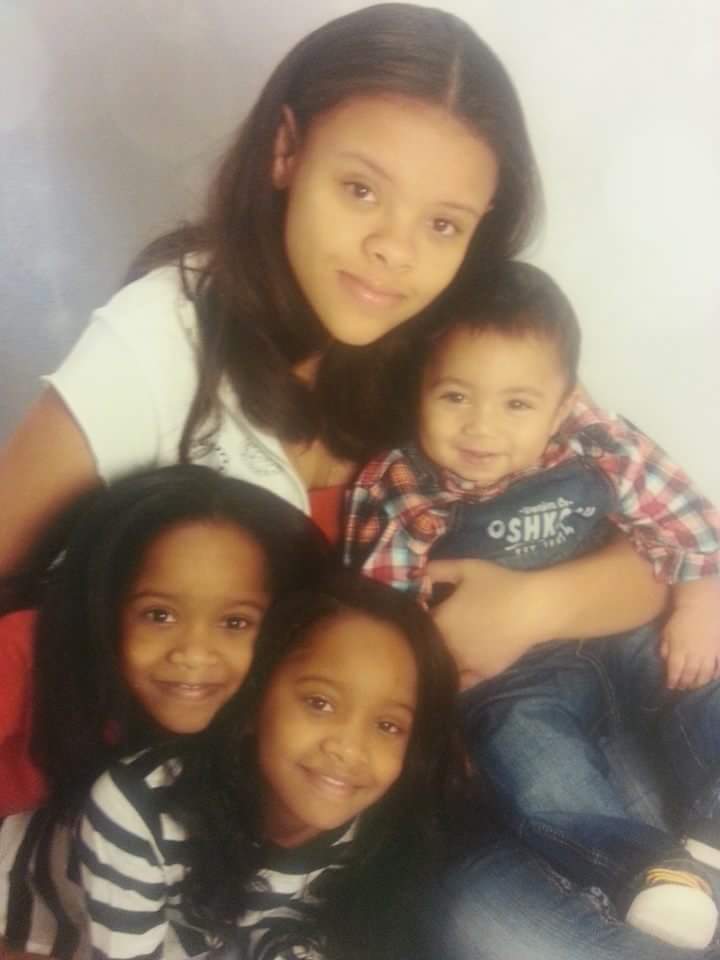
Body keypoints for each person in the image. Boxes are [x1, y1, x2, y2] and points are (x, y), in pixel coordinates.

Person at [0, 3, 683, 957]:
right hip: (285, 826)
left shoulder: (462, 358)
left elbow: (658, 555)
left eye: (443, 223)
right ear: (287, 152)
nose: (395, 252)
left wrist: (528, 606)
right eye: (361, 190)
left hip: (496, 737)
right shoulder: (161, 342)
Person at [343, 260, 720, 949]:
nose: (481, 428)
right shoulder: (403, 486)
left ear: (562, 403)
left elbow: (684, 514)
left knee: (706, 678)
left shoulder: (594, 441)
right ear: (420, 388)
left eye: (516, 405)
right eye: (455, 397)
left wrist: (700, 598)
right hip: (514, 680)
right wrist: (437, 707)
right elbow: (383, 624)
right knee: (535, 767)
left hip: (622, 631)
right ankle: (648, 872)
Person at [0, 463, 329, 958]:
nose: (193, 655)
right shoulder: (24, 653)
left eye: (235, 622)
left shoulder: (252, 720)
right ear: (107, 607)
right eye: (159, 615)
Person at [73, 573, 461, 960]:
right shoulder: (138, 808)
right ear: (255, 700)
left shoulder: (377, 832)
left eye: (388, 726)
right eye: (320, 703)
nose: (349, 750)